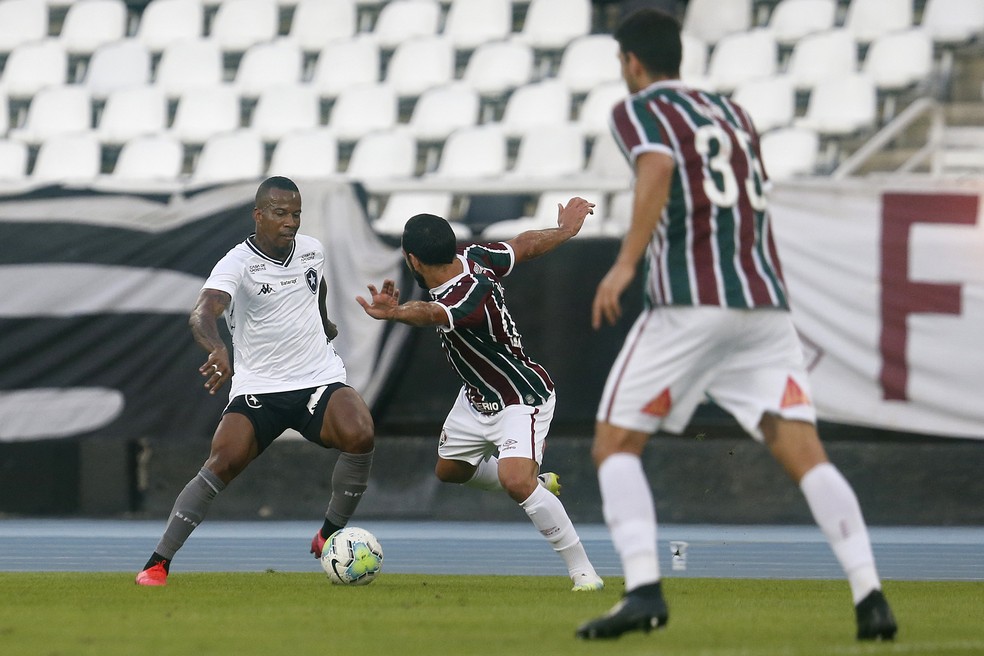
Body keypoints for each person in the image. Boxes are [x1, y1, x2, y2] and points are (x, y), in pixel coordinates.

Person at [575, 9, 897, 641]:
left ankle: (642, 589)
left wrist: (625, 263)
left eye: (622, 65)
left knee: (614, 446)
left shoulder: (637, 110)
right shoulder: (736, 113)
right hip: (764, 303)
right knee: (808, 457)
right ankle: (871, 597)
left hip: (692, 301)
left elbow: (658, 167)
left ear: (633, 63)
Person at [136, 176, 375, 586]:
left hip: (317, 378)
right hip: (259, 388)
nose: (290, 222)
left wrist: (324, 322)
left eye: (296, 213)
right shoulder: (237, 264)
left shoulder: (312, 250)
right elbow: (203, 312)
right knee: (221, 462)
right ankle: (158, 562)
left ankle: (329, 534)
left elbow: (315, 288)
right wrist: (216, 348)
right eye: (280, 213)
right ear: (259, 214)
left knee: (361, 434)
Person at [356, 202, 605, 591]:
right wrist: (563, 232)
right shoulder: (473, 256)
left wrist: (396, 312)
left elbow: (431, 314)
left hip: (520, 397)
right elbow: (523, 246)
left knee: (515, 482)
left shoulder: (464, 297)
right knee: (450, 471)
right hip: (476, 397)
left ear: (412, 260)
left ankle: (583, 571)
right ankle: (535, 479)